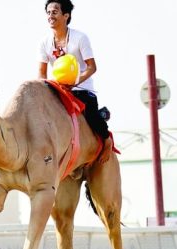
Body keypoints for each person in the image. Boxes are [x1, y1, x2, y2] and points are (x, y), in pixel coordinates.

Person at [38, 0, 113, 163]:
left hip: (82, 89)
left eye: (55, 11)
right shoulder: (44, 42)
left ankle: (107, 139)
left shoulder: (80, 38)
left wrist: (75, 81)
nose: (51, 15)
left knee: (91, 116)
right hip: (58, 89)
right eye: (48, 12)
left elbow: (92, 67)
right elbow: (42, 73)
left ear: (66, 15)